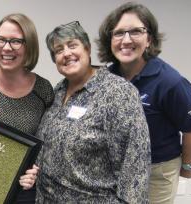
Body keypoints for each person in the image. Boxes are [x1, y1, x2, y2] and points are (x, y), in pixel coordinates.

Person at [33, 21, 151, 203]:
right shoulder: (57, 92)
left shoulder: (118, 93)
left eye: (72, 45)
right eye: (58, 50)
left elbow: (135, 167)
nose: (66, 53)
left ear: (87, 49)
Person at [96, 2, 191, 203]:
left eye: (135, 31)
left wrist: (187, 171)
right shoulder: (105, 78)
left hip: (156, 172)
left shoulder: (170, 82)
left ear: (149, 39)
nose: (126, 40)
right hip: (114, 171)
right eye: (118, 33)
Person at [0, 13, 54, 203]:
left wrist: (36, 169)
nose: (6, 48)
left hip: (22, 191)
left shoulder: (43, 90)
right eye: (1, 40)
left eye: (15, 41)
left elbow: (46, 142)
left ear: (29, 46)